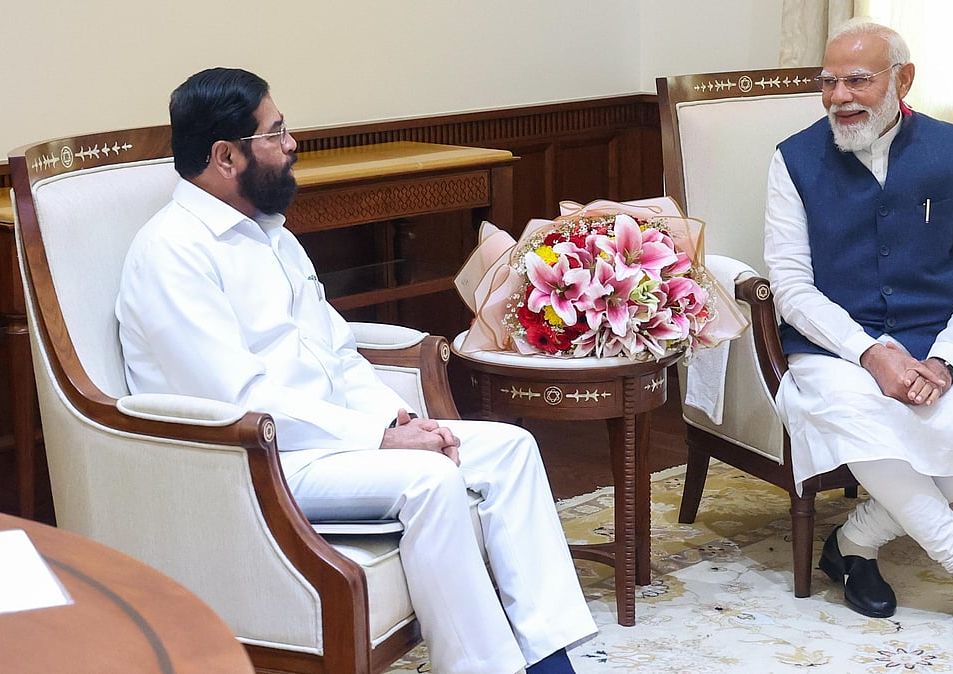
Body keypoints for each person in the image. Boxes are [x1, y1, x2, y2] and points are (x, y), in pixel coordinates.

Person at [115, 67, 596, 674]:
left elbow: (339, 353)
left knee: (512, 450)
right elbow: (238, 399)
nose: (292, 144)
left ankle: (550, 661)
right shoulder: (172, 253)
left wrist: (396, 420)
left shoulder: (271, 236)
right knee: (430, 479)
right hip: (260, 461)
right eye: (275, 132)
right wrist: (379, 439)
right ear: (225, 156)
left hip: (333, 442)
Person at [764, 19, 953, 647]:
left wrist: (948, 359)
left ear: (902, 80)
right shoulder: (791, 160)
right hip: (836, 347)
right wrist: (870, 352)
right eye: (828, 82)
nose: (839, 97)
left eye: (858, 80)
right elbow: (791, 287)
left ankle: (853, 543)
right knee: (857, 418)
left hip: (943, 337)